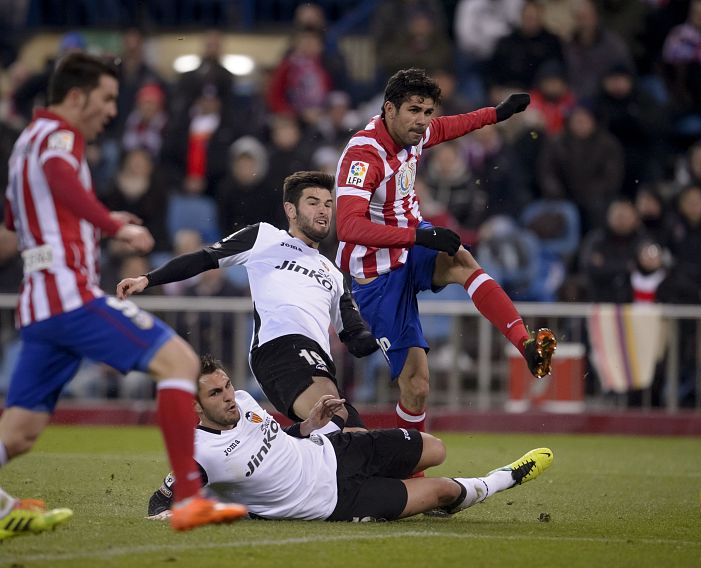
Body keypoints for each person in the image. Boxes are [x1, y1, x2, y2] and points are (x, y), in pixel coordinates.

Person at [0, 53, 247, 539]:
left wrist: (88, 222)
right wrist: (110, 223)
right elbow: (59, 176)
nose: (113, 110)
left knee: (21, 432)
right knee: (180, 363)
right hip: (71, 297)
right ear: (76, 96)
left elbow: (13, 228)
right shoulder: (58, 137)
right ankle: (191, 500)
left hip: (39, 305)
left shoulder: (22, 145)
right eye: (108, 98)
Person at [335, 68, 557, 433]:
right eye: (414, 111)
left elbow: (451, 126)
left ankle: (526, 345)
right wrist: (419, 238)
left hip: (412, 243)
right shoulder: (364, 155)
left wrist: (497, 113)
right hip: (377, 275)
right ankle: (413, 472)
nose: (423, 121)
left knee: (461, 259)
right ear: (389, 109)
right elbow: (349, 227)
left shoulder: (415, 134)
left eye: (427, 112)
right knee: (417, 387)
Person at [147, 356, 554, 522]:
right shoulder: (198, 455)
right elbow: (159, 504)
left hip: (334, 450)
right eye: (214, 394)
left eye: (227, 386)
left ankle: (421, 490)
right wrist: (178, 513)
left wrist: (309, 427)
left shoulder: (244, 399)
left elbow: (275, 442)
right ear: (194, 406)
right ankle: (504, 477)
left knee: (437, 448)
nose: (228, 397)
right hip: (333, 501)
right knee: (444, 490)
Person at [117, 171, 379, 429]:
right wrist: (148, 279)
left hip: (317, 359)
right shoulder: (264, 237)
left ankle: (279, 448)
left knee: (350, 435)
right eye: (313, 203)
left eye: (328, 204)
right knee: (338, 423)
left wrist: (386, 336)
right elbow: (204, 258)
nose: (323, 211)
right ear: (291, 210)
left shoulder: (333, 272)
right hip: (279, 346)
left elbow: (355, 336)